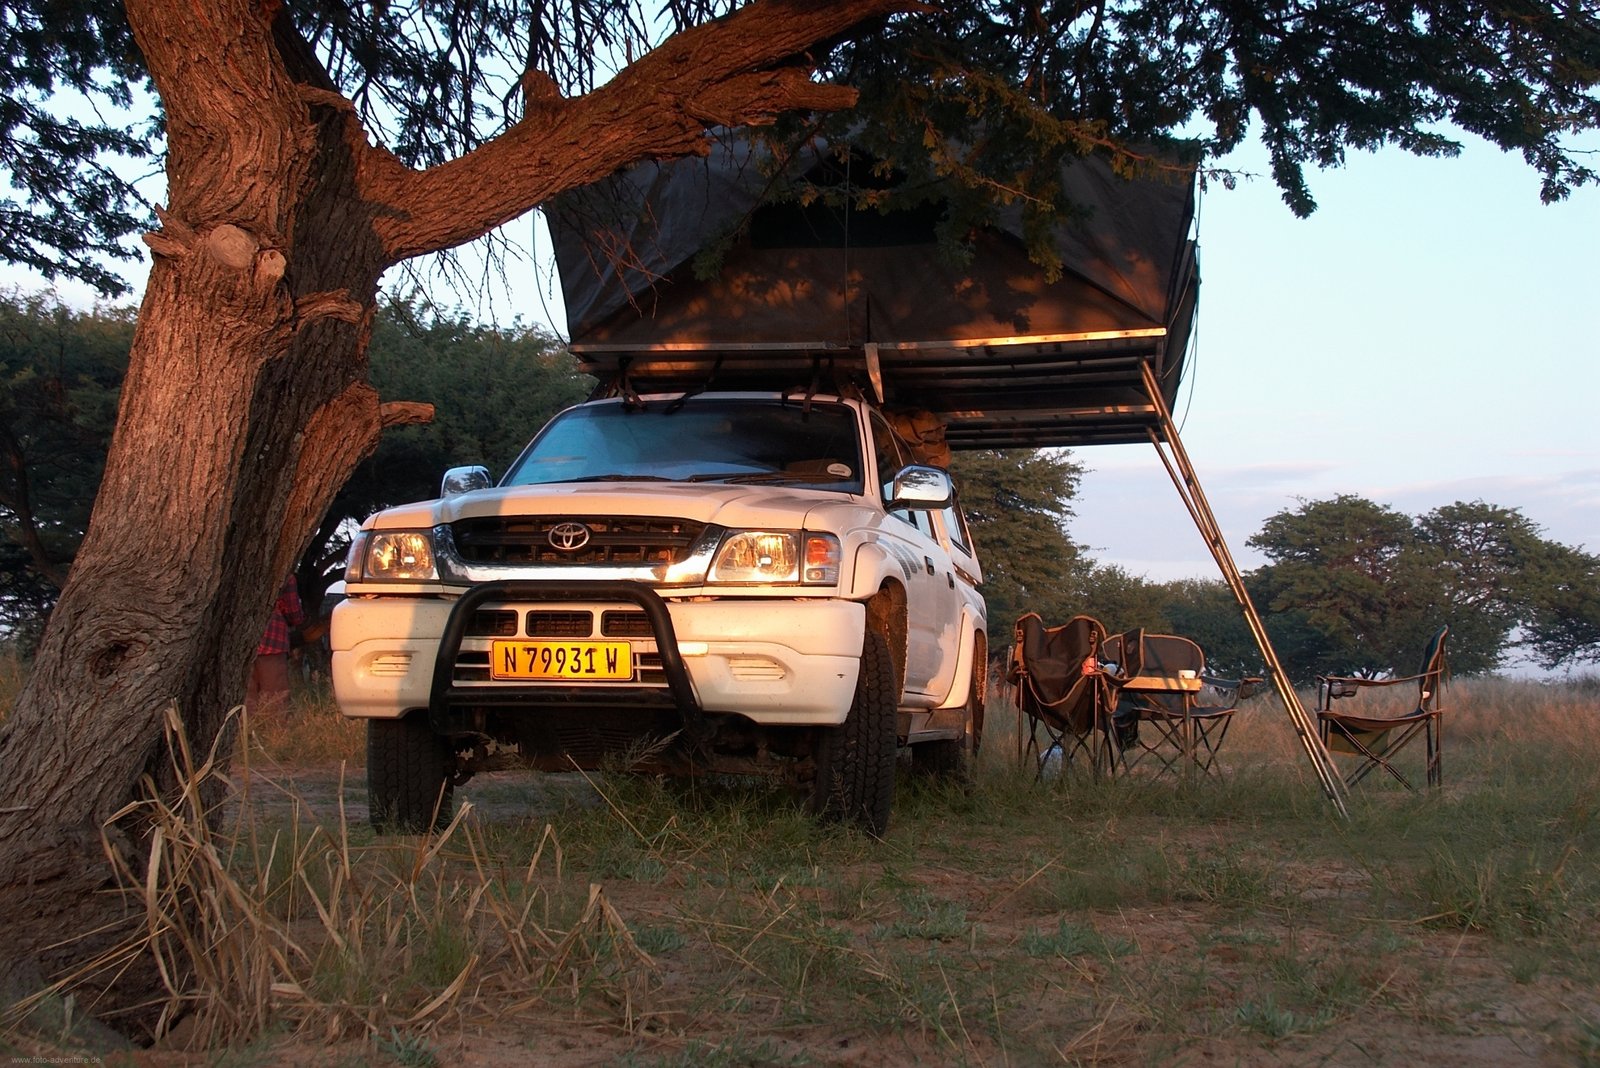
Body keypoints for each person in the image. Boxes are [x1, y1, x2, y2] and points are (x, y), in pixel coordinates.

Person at [247, 575, 303, 720]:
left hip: (240, 641)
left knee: (245, 698)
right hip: (272, 640)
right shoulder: (283, 574)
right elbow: (293, 613)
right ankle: (274, 732)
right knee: (275, 697)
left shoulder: (232, 569)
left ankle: (245, 731)